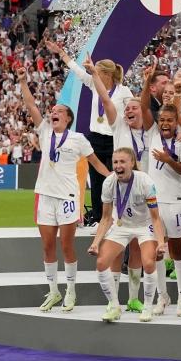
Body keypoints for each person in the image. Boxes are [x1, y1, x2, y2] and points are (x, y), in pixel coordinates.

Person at [16, 66, 110, 312]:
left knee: (67, 246)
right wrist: (23, 82)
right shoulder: (45, 131)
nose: (53, 112)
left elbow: (95, 163)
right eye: (53, 111)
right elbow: (31, 106)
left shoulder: (79, 139)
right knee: (47, 246)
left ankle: (71, 290)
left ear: (68, 118)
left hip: (68, 198)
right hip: (45, 196)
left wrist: (113, 177)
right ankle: (54, 291)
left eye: (59, 111)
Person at [85, 56, 148, 314]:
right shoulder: (119, 126)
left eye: (135, 108)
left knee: (136, 249)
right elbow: (106, 99)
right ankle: (114, 303)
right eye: (127, 108)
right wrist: (94, 74)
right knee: (116, 247)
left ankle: (133, 298)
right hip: (120, 190)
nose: (130, 111)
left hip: (142, 193)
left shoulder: (150, 132)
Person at [46, 40, 133, 225]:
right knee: (96, 179)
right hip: (95, 139)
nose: (94, 75)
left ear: (107, 74)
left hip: (115, 140)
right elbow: (77, 71)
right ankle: (98, 216)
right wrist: (61, 53)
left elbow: (134, 109)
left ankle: (119, 215)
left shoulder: (124, 91)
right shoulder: (94, 84)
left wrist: (128, 121)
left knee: (116, 177)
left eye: (97, 72)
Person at [87, 148, 167, 322]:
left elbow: (155, 218)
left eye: (122, 161)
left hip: (144, 226)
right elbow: (106, 218)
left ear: (132, 163)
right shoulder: (109, 183)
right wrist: (95, 243)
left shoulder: (145, 181)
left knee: (148, 262)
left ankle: (147, 307)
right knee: (101, 262)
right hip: (121, 225)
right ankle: (114, 305)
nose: (118, 166)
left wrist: (161, 243)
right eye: (115, 162)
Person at [140, 66, 181, 317]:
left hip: (177, 201)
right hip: (154, 203)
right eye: (163, 120)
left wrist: (169, 160)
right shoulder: (152, 135)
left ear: (176, 122)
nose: (165, 123)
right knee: (156, 251)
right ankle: (163, 296)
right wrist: (147, 80)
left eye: (170, 120)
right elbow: (144, 106)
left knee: (178, 251)